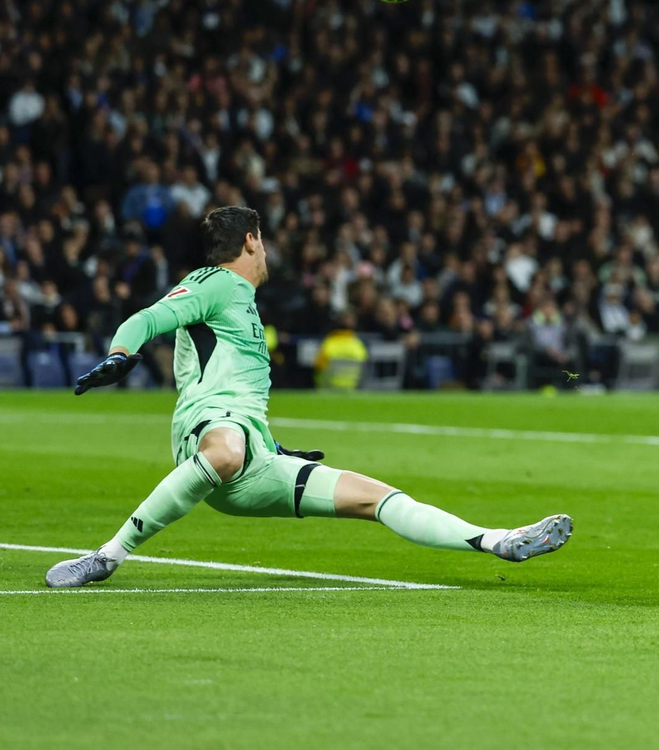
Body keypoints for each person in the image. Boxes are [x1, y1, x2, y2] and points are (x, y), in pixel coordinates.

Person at [45, 207, 572, 589]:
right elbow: (147, 318)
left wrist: (275, 445)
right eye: (264, 242)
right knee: (225, 450)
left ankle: (497, 540)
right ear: (251, 241)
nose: (266, 251)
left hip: (254, 456)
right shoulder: (212, 282)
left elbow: (240, 391)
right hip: (208, 432)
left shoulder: (242, 301)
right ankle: (106, 557)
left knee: (379, 498)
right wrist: (120, 353)